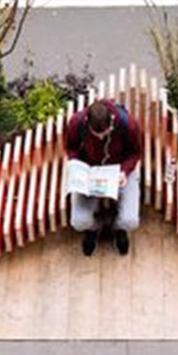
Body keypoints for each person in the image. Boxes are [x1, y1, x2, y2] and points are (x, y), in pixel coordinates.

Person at [66, 99, 143, 256]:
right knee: (79, 221)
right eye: (97, 135)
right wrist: (78, 168)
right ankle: (94, 228)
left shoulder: (127, 124)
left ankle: (119, 229)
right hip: (90, 171)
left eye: (105, 134)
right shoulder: (77, 122)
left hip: (121, 171)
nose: (101, 138)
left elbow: (136, 153)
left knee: (130, 221)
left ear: (112, 122)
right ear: (87, 122)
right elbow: (71, 148)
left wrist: (125, 171)